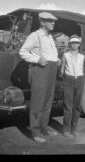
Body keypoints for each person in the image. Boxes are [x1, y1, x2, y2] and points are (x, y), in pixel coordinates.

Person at [19, 12, 59, 143]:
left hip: (51, 71)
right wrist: (36, 59)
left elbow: (49, 53)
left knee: (48, 101)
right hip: (40, 71)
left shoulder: (50, 36)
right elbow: (23, 51)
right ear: (42, 22)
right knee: (38, 102)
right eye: (50, 21)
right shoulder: (35, 35)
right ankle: (35, 132)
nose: (53, 23)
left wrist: (56, 59)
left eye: (54, 21)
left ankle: (44, 127)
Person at [60, 35, 85, 139]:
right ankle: (66, 130)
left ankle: (74, 129)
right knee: (68, 106)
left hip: (79, 79)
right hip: (68, 80)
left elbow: (81, 68)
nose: (75, 44)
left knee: (77, 106)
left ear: (79, 45)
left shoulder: (82, 57)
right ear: (70, 44)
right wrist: (64, 78)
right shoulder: (65, 55)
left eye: (77, 43)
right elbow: (62, 70)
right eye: (72, 43)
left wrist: (80, 80)